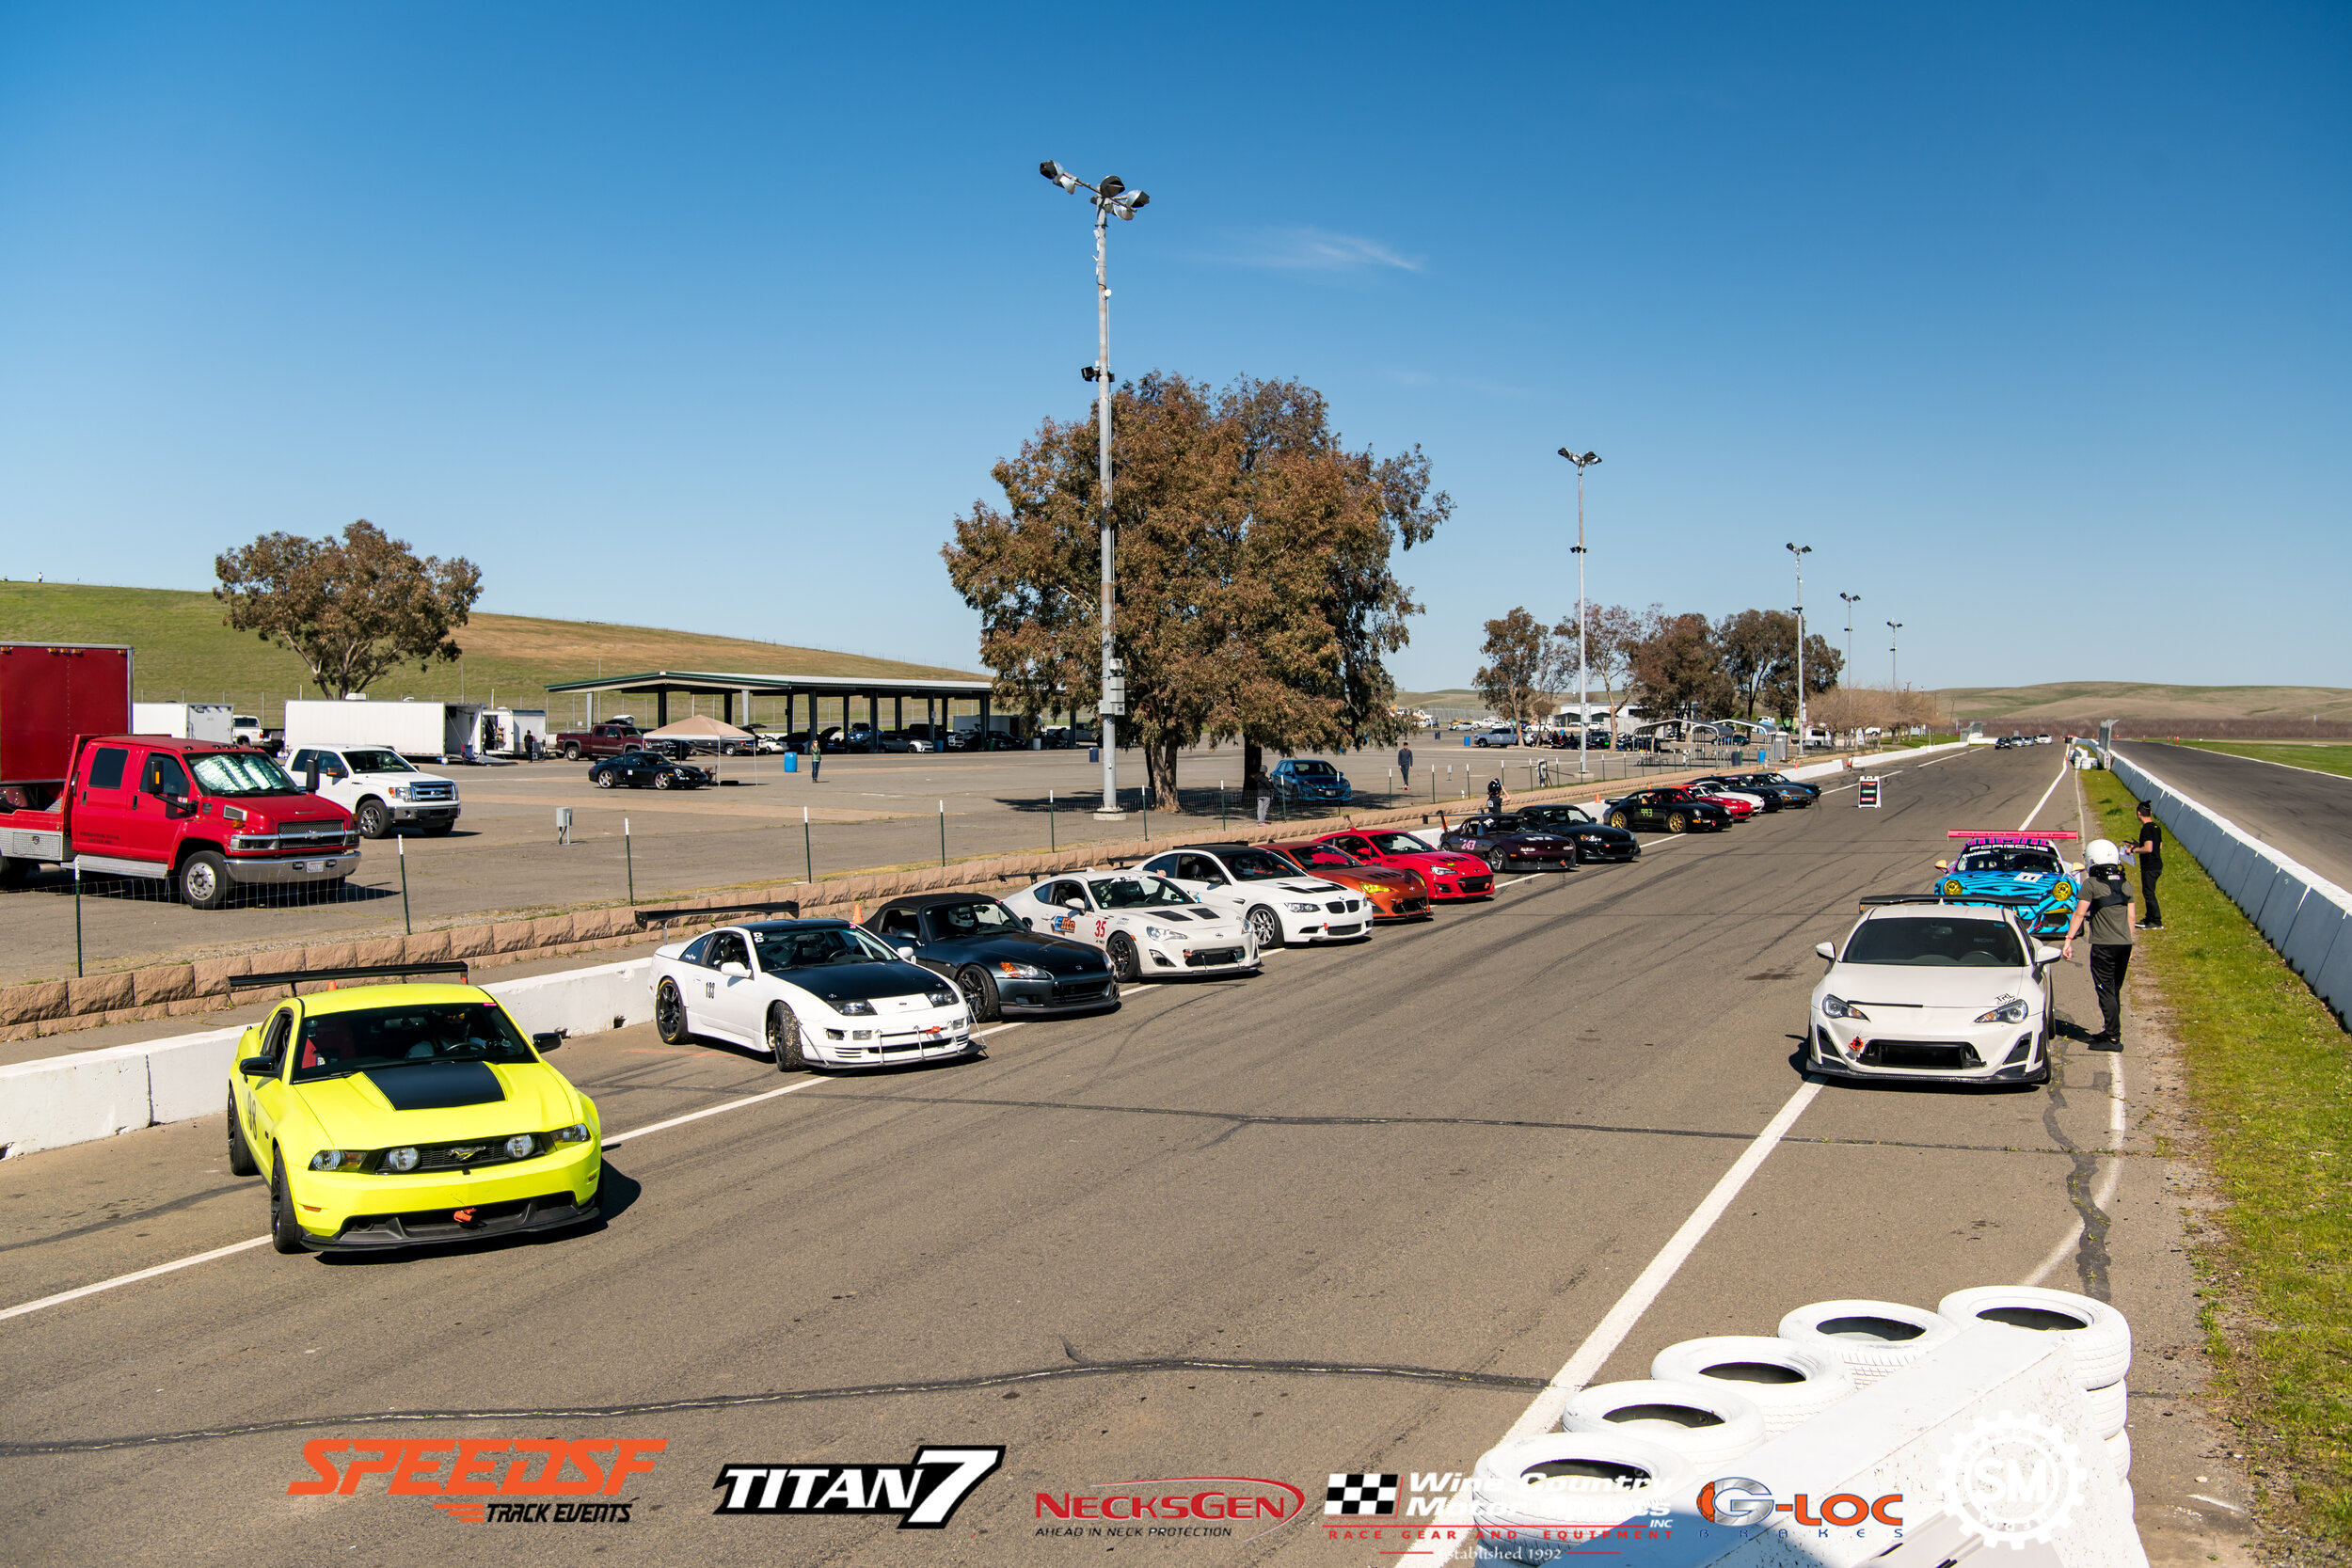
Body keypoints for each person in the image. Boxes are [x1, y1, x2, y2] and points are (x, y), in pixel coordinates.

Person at [2061, 838, 2136, 1047]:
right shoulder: (2126, 885)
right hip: (2124, 944)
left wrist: (2068, 940)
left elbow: (2079, 914)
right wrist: (2131, 944)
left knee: (2105, 989)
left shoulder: (2091, 884)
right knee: (2114, 989)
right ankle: (2109, 1030)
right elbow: (2131, 918)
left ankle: (2113, 1037)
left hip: (2104, 946)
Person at [2131, 801, 2164, 929]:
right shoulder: (2156, 827)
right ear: (2150, 813)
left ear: (2139, 814)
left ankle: (2156, 920)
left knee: (2149, 894)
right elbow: (2159, 846)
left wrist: (2133, 850)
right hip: (2157, 864)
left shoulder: (2146, 828)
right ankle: (2149, 918)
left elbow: (2149, 848)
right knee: (2149, 892)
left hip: (2149, 866)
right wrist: (2139, 845)